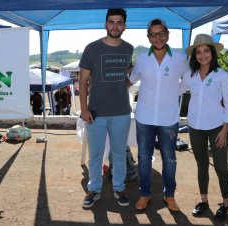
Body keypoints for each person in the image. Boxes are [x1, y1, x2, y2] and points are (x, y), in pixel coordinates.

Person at [128, 18, 189, 211]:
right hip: (144, 117)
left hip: (169, 118)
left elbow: (188, 80)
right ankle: (144, 195)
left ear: (168, 34)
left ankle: (169, 196)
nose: (158, 37)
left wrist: (175, 92)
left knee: (170, 159)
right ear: (148, 37)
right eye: (153, 34)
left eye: (161, 33)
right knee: (144, 158)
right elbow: (129, 81)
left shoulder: (179, 58)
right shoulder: (141, 59)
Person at [79, 8, 133, 208]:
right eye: (111, 22)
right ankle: (94, 190)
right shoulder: (92, 48)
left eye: (119, 22)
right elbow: (83, 80)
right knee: (95, 154)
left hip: (121, 111)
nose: (115, 26)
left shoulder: (129, 48)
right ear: (105, 24)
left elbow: (124, 79)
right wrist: (84, 110)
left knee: (119, 153)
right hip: (96, 113)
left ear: (124, 26)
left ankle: (119, 188)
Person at [181, 33, 228, 221]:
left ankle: (225, 203)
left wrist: (225, 129)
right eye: (198, 52)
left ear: (212, 52)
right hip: (195, 127)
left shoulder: (222, 75)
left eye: (206, 51)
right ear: (194, 55)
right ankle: (204, 200)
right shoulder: (190, 75)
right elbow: (176, 91)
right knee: (201, 165)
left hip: (218, 127)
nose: (202, 55)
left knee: (221, 167)